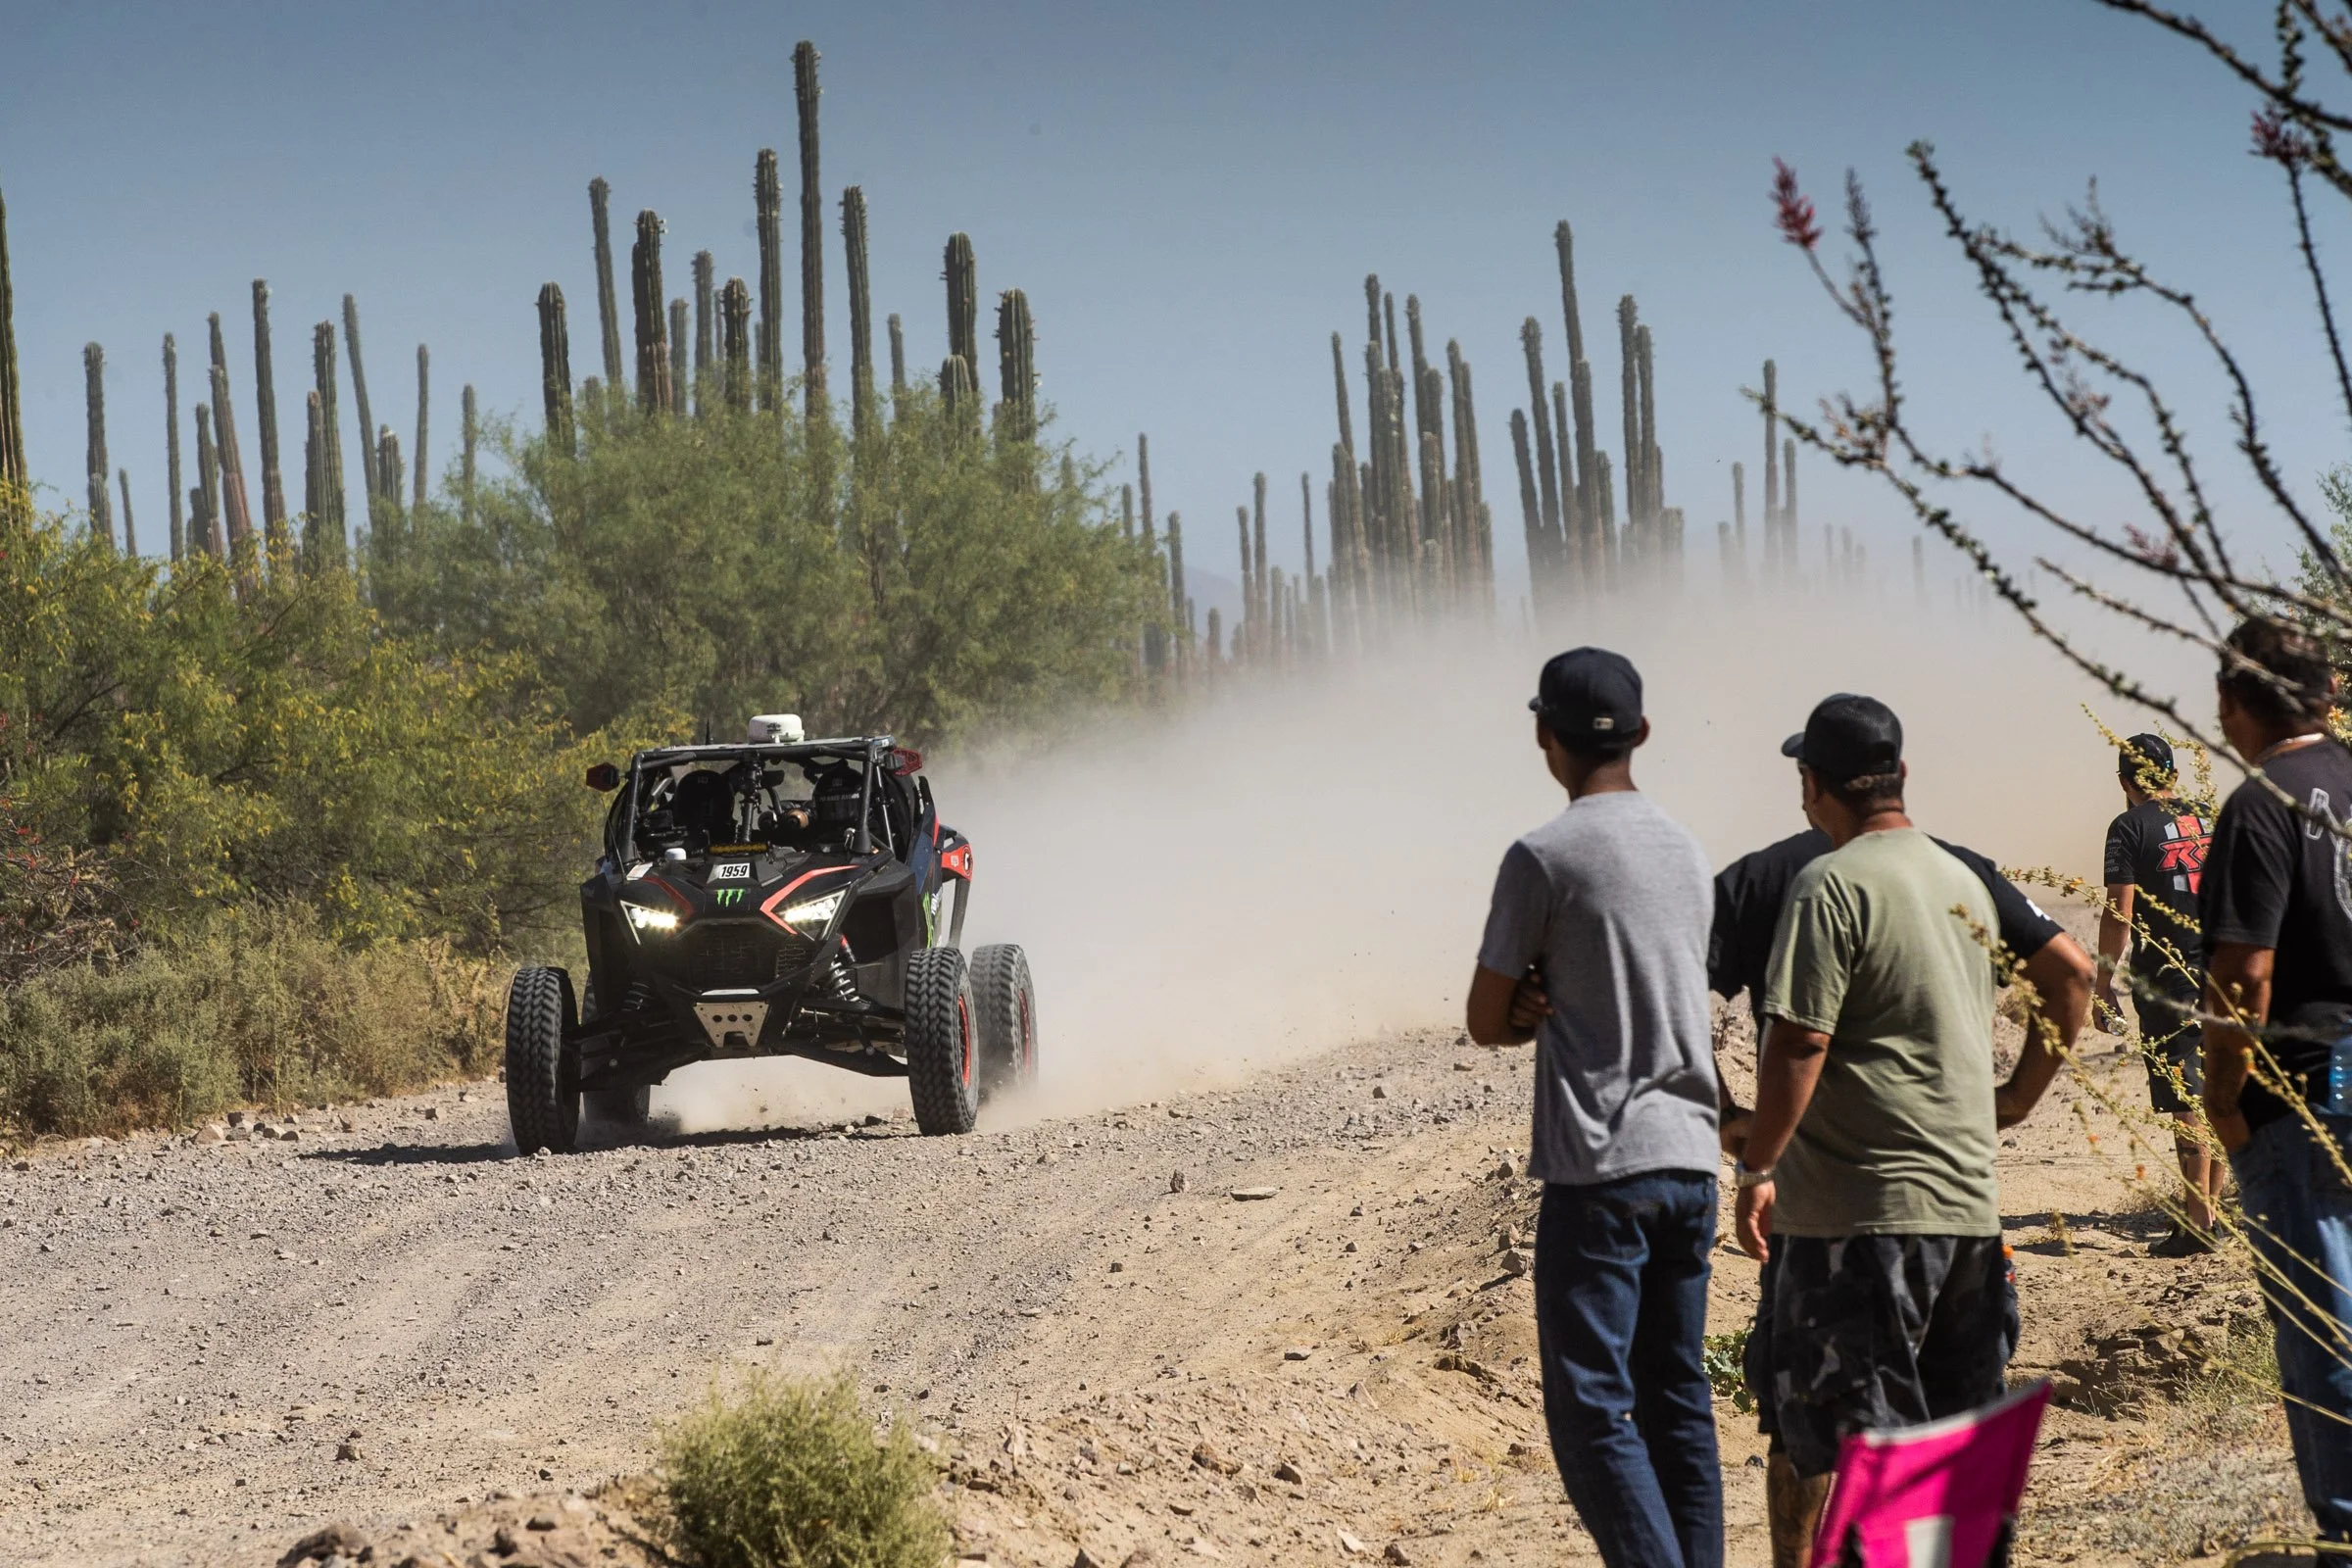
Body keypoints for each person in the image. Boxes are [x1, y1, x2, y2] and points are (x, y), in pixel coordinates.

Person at [1709, 710, 2091, 1568]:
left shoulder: (1828, 885)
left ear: (1811, 785)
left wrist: (1756, 1162)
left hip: (1857, 1223)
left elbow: (1799, 1042)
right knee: (1954, 1459)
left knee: (1860, 1460)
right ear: (1902, 775)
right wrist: (2015, 1098)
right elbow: (2073, 972)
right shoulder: (1962, 875)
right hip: (1969, 1220)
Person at [1466, 647, 1721, 1568]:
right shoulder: (1688, 850)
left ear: (1545, 735)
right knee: (1677, 1400)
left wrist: (1531, 998)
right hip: (1693, 1159)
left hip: (1601, 1167)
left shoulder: (1543, 856)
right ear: (1642, 732)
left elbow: (1485, 1018)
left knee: (1592, 1412)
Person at [2199, 617, 2352, 1542]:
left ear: (2234, 703)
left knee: (2323, 1321)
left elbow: (2243, 973)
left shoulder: (2261, 805)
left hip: (2305, 1091)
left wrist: (2222, 1096)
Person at [2099, 731, 2218, 1254]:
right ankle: (2209, 1211)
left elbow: (2119, 911)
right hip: (2226, 968)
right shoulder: (2212, 817)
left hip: (2170, 978)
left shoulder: (2128, 826)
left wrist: (2103, 982)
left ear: (2124, 781)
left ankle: (2199, 1225)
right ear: (2173, 775)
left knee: (2186, 1095)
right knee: (2217, 1087)